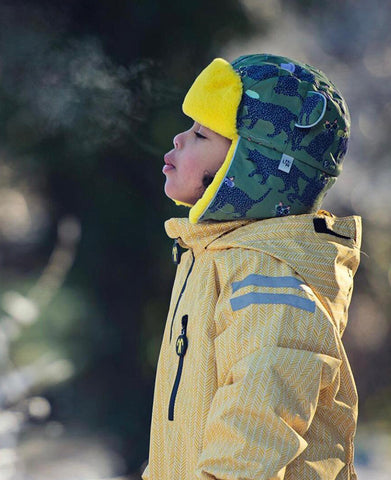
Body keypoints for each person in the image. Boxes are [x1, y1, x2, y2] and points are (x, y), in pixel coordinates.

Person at [143, 54, 361, 480]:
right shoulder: (212, 258)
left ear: (251, 166)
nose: (180, 139)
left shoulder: (267, 274)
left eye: (202, 134)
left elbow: (255, 429)